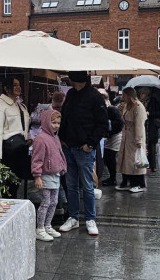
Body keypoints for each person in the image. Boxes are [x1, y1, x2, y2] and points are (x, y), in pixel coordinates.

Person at [59, 71, 108, 236]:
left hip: (84, 148)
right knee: (71, 184)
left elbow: (102, 124)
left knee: (87, 185)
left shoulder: (95, 97)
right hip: (69, 147)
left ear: (75, 79)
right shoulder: (72, 94)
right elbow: (65, 116)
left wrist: (90, 144)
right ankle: (73, 217)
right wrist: (62, 138)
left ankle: (90, 218)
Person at [0, 78, 31, 196]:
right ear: (6, 88)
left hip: (20, 150)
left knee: (15, 184)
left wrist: (27, 137)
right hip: (7, 151)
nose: (18, 87)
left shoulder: (21, 106)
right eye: (14, 85)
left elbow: (23, 125)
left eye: (19, 85)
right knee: (2, 185)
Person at [31, 109, 67, 242]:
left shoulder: (55, 137)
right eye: (53, 122)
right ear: (46, 122)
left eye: (58, 123)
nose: (56, 125)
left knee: (54, 202)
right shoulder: (41, 139)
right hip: (45, 175)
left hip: (55, 175)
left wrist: (62, 167)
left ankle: (47, 225)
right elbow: (37, 159)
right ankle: (39, 228)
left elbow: (60, 154)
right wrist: (37, 175)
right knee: (46, 202)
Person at [116, 87, 148, 193]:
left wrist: (139, 140)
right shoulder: (127, 106)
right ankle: (126, 182)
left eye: (124, 95)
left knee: (136, 161)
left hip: (134, 138)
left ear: (129, 95)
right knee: (126, 161)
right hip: (127, 137)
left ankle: (139, 184)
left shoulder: (138, 107)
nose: (122, 97)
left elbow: (139, 125)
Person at [101, 91, 125, 187]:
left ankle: (113, 178)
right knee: (108, 157)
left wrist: (108, 125)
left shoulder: (111, 109)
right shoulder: (106, 109)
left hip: (115, 136)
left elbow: (119, 124)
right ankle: (112, 177)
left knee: (110, 157)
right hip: (111, 136)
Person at [139, 87, 160, 172]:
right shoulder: (139, 102)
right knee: (143, 145)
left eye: (142, 94)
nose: (140, 95)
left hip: (151, 126)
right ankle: (144, 163)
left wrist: (149, 113)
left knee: (151, 146)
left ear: (146, 94)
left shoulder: (154, 101)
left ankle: (152, 165)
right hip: (142, 125)